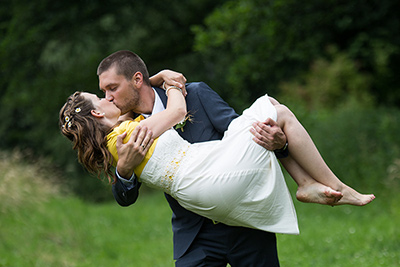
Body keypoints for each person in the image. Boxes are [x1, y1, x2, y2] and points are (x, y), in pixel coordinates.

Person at [59, 51, 374, 266]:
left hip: (243, 223)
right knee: (274, 109)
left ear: (137, 79)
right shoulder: (126, 131)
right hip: (195, 233)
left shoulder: (195, 93)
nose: (109, 96)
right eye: (103, 93)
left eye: (111, 88)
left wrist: (280, 145)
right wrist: (124, 172)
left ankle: (309, 184)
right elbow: (123, 196)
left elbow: (246, 139)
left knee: (267, 121)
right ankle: (318, 183)